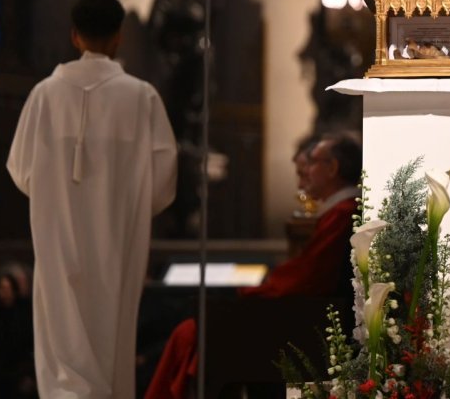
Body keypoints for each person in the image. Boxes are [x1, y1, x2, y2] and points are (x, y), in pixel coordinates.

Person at [7, 0, 178, 399]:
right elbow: (163, 179)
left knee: (60, 332)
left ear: (74, 36)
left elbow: (20, 170)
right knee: (111, 331)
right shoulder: (142, 96)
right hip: (117, 240)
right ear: (119, 37)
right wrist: (128, 206)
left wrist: (56, 196)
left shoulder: (44, 95)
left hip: (58, 238)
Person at [143, 133, 362, 399]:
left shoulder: (343, 212)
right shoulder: (342, 211)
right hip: (299, 315)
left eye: (313, 162)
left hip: (303, 321)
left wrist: (256, 293)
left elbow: (308, 280)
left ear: (333, 168)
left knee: (191, 333)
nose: (305, 171)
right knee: (188, 330)